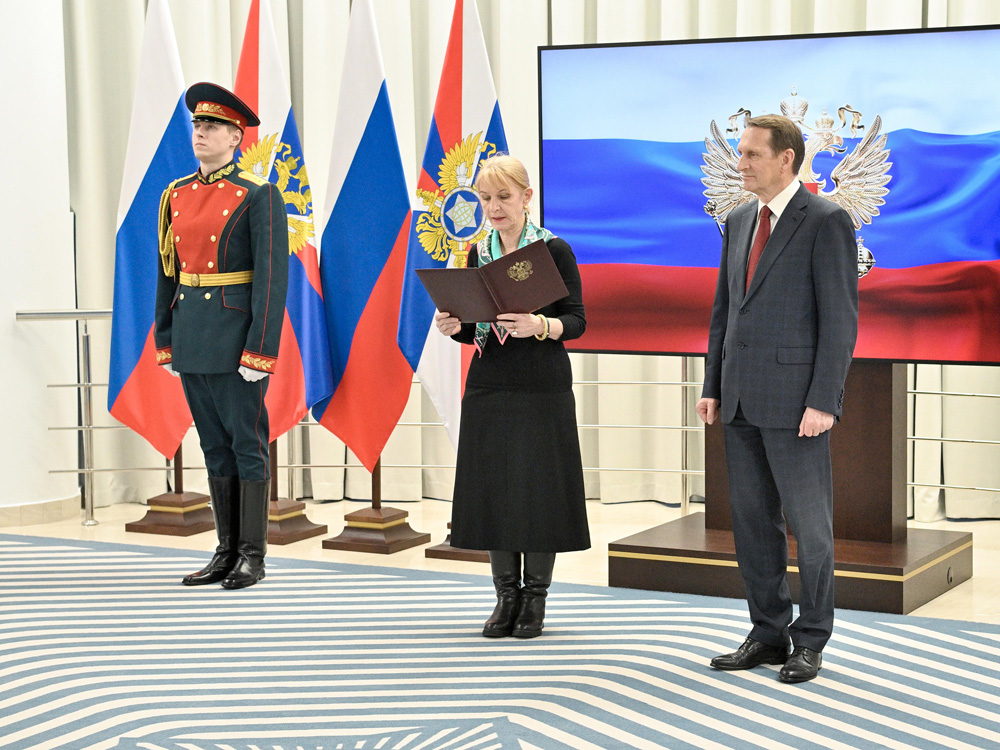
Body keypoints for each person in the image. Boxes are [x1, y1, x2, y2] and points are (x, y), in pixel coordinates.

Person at [696, 114, 859, 683]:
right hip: (739, 398)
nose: (739, 163)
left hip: (797, 405)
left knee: (810, 529)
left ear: (786, 158)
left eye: (751, 154)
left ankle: (810, 640)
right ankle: (767, 632)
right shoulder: (739, 219)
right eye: (739, 152)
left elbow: (839, 321)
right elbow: (724, 311)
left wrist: (824, 400)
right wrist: (713, 384)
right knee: (751, 524)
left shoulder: (827, 219)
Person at [434, 154, 590, 639]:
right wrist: (454, 327)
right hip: (490, 382)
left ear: (526, 197)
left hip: (542, 384)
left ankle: (534, 598)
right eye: (486, 198)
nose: (494, 207)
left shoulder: (553, 250)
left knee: (540, 489)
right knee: (495, 489)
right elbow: (477, 328)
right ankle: (505, 596)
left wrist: (540, 324)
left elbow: (578, 321)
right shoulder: (477, 253)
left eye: (503, 197)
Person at [154, 82, 289, 590]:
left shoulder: (258, 194)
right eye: (197, 124)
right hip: (193, 332)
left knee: (247, 445)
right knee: (213, 445)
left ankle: (252, 554)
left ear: (236, 137)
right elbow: (167, 272)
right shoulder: (175, 194)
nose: (201, 132)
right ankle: (225, 550)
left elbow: (272, 279)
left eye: (212, 126)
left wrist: (260, 350)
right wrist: (166, 337)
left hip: (235, 338)